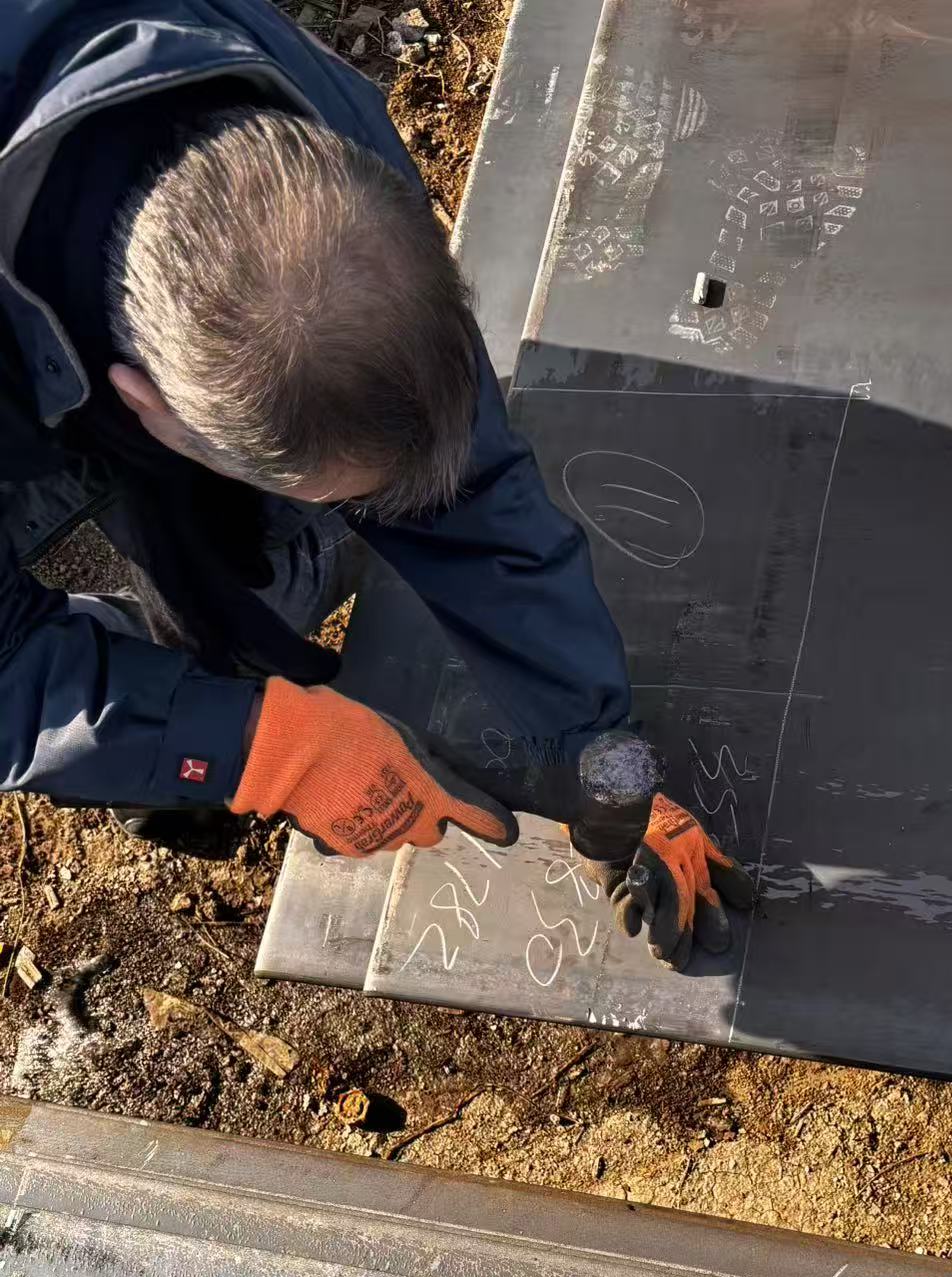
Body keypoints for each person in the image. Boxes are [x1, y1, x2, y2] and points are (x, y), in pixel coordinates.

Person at [0, 0, 753, 972]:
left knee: (271, 544)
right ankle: (161, 703)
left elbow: (467, 487)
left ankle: (211, 644)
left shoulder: (315, 137)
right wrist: (255, 749)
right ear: (146, 404)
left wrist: (601, 753)